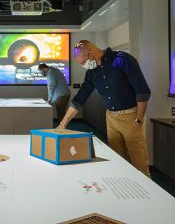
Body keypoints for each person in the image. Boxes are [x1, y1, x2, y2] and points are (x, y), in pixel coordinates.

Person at [57, 40, 152, 177]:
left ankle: (147, 195)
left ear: (90, 54)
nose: (84, 66)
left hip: (131, 116)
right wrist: (62, 124)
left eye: (84, 62)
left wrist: (138, 120)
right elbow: (80, 98)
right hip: (111, 118)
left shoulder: (122, 60)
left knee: (139, 163)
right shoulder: (92, 72)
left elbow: (143, 92)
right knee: (118, 161)